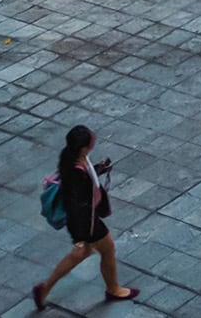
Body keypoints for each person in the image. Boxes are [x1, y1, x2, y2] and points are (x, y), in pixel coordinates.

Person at [33, 125, 138, 309]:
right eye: (91, 138)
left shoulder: (74, 158)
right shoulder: (75, 173)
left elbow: (86, 179)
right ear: (83, 147)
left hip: (85, 220)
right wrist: (79, 237)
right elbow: (76, 208)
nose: (94, 138)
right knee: (106, 248)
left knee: (81, 254)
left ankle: (45, 288)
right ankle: (113, 289)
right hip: (86, 223)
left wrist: (99, 168)